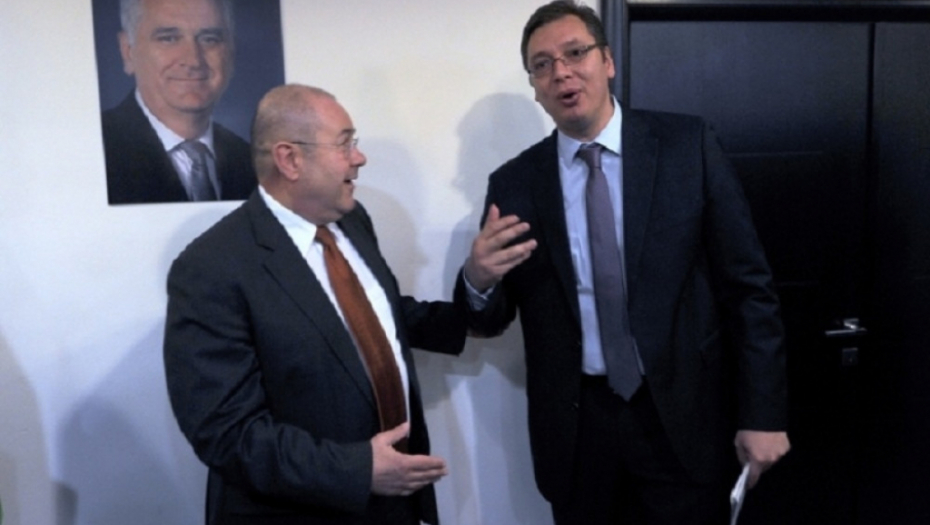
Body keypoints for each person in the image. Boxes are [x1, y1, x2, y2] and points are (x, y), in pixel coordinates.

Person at [457, 1, 790, 524]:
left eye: (575, 53)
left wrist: (763, 413)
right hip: (578, 431)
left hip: (682, 419)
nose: (561, 72)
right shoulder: (515, 184)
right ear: (535, 87)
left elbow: (749, 289)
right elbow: (490, 318)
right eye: (542, 65)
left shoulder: (687, 147)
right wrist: (477, 279)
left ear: (607, 61)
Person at [164, 84, 467, 525]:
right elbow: (227, 434)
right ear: (290, 159)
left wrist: (476, 284)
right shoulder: (211, 268)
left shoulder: (353, 221)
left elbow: (379, 318)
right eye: (344, 144)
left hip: (394, 506)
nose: (359, 158)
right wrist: (358, 471)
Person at [101, 0, 256, 205]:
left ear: (230, 51)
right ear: (127, 51)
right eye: (169, 39)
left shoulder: (253, 163)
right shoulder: (97, 150)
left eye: (209, 39)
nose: (193, 61)